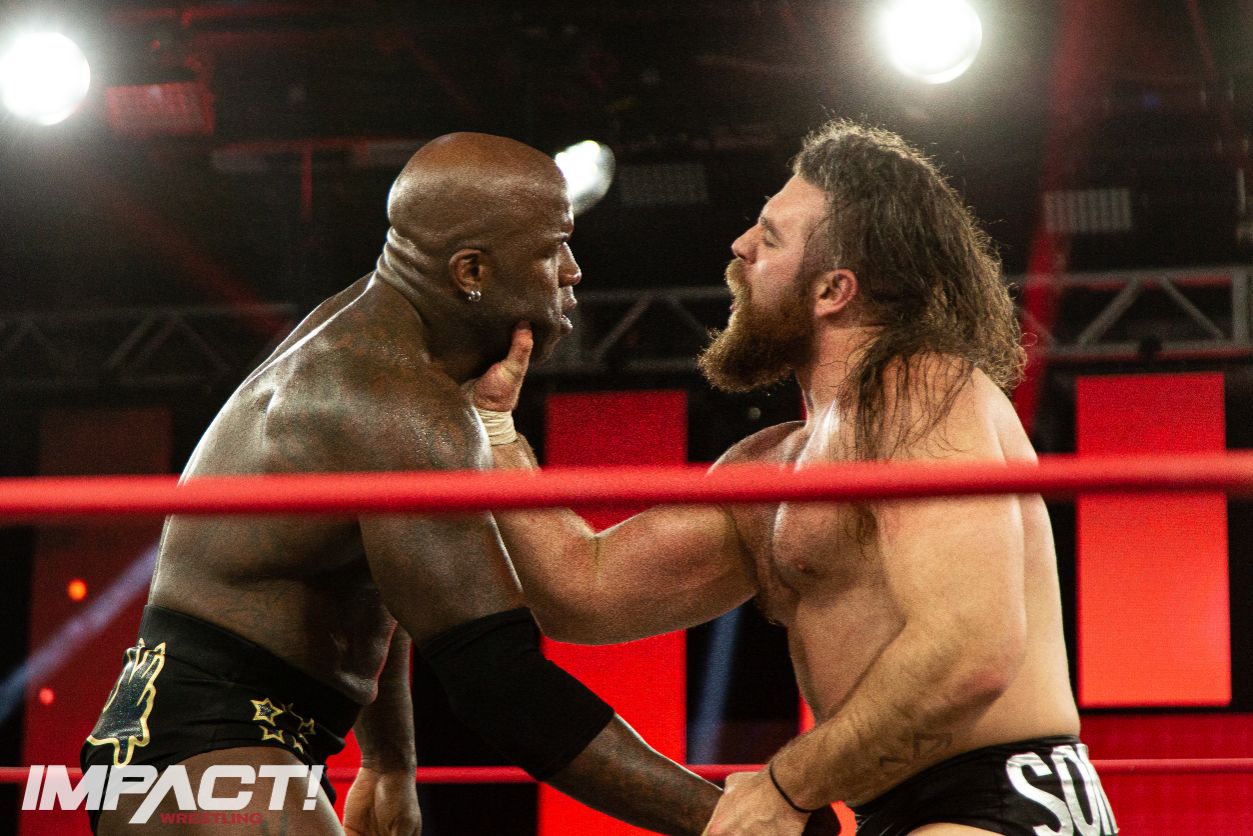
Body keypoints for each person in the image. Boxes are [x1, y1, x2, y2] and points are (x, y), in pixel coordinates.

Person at [475, 120, 1118, 835]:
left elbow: (971, 653)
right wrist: (494, 429)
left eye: (771, 238)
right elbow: (583, 594)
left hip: (1007, 799)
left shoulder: (921, 391)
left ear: (833, 290)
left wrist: (785, 788)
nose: (739, 247)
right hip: (889, 812)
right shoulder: (768, 467)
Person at [80, 132, 725, 836]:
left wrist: (389, 760)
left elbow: (379, 575)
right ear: (471, 270)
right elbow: (502, 687)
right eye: (553, 249)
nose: (573, 271)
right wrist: (729, 820)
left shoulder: (370, 334)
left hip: (197, 734)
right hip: (208, 746)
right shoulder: (394, 401)